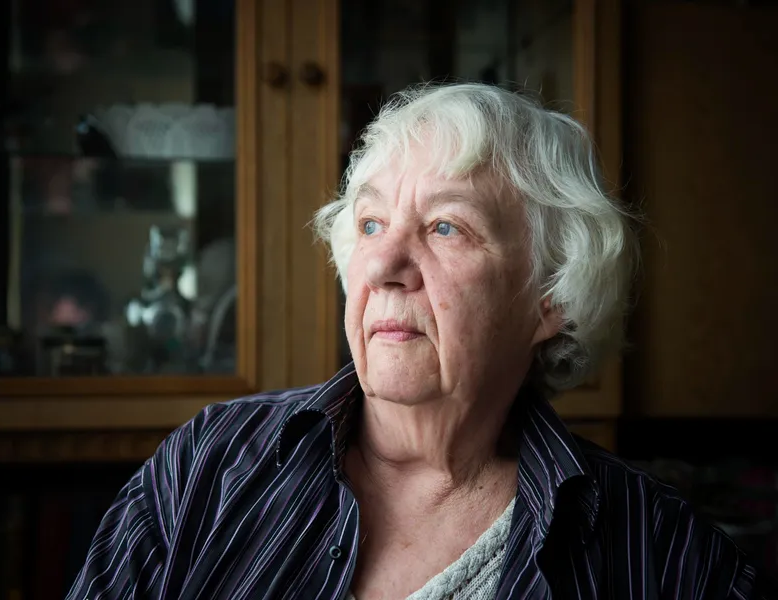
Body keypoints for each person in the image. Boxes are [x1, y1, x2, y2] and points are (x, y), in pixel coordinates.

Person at [66, 83, 774, 599]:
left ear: (551, 297)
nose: (382, 265)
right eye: (371, 225)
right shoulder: (209, 467)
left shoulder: (658, 551)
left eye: (445, 228)